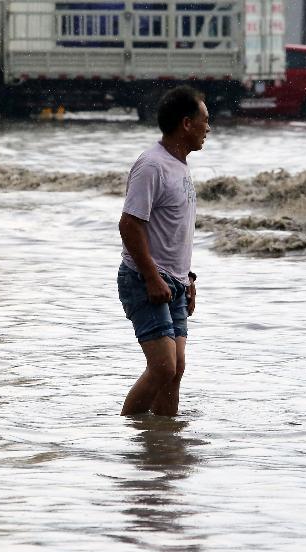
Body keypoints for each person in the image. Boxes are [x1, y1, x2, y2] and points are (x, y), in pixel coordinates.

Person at [116, 86, 210, 416]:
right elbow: (129, 225)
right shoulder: (151, 165)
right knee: (163, 368)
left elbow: (172, 232)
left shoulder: (179, 165)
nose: (208, 129)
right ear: (187, 123)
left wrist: (188, 279)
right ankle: (127, 434)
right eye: (205, 120)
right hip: (144, 280)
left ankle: (163, 445)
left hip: (175, 283)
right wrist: (153, 278)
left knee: (176, 369)